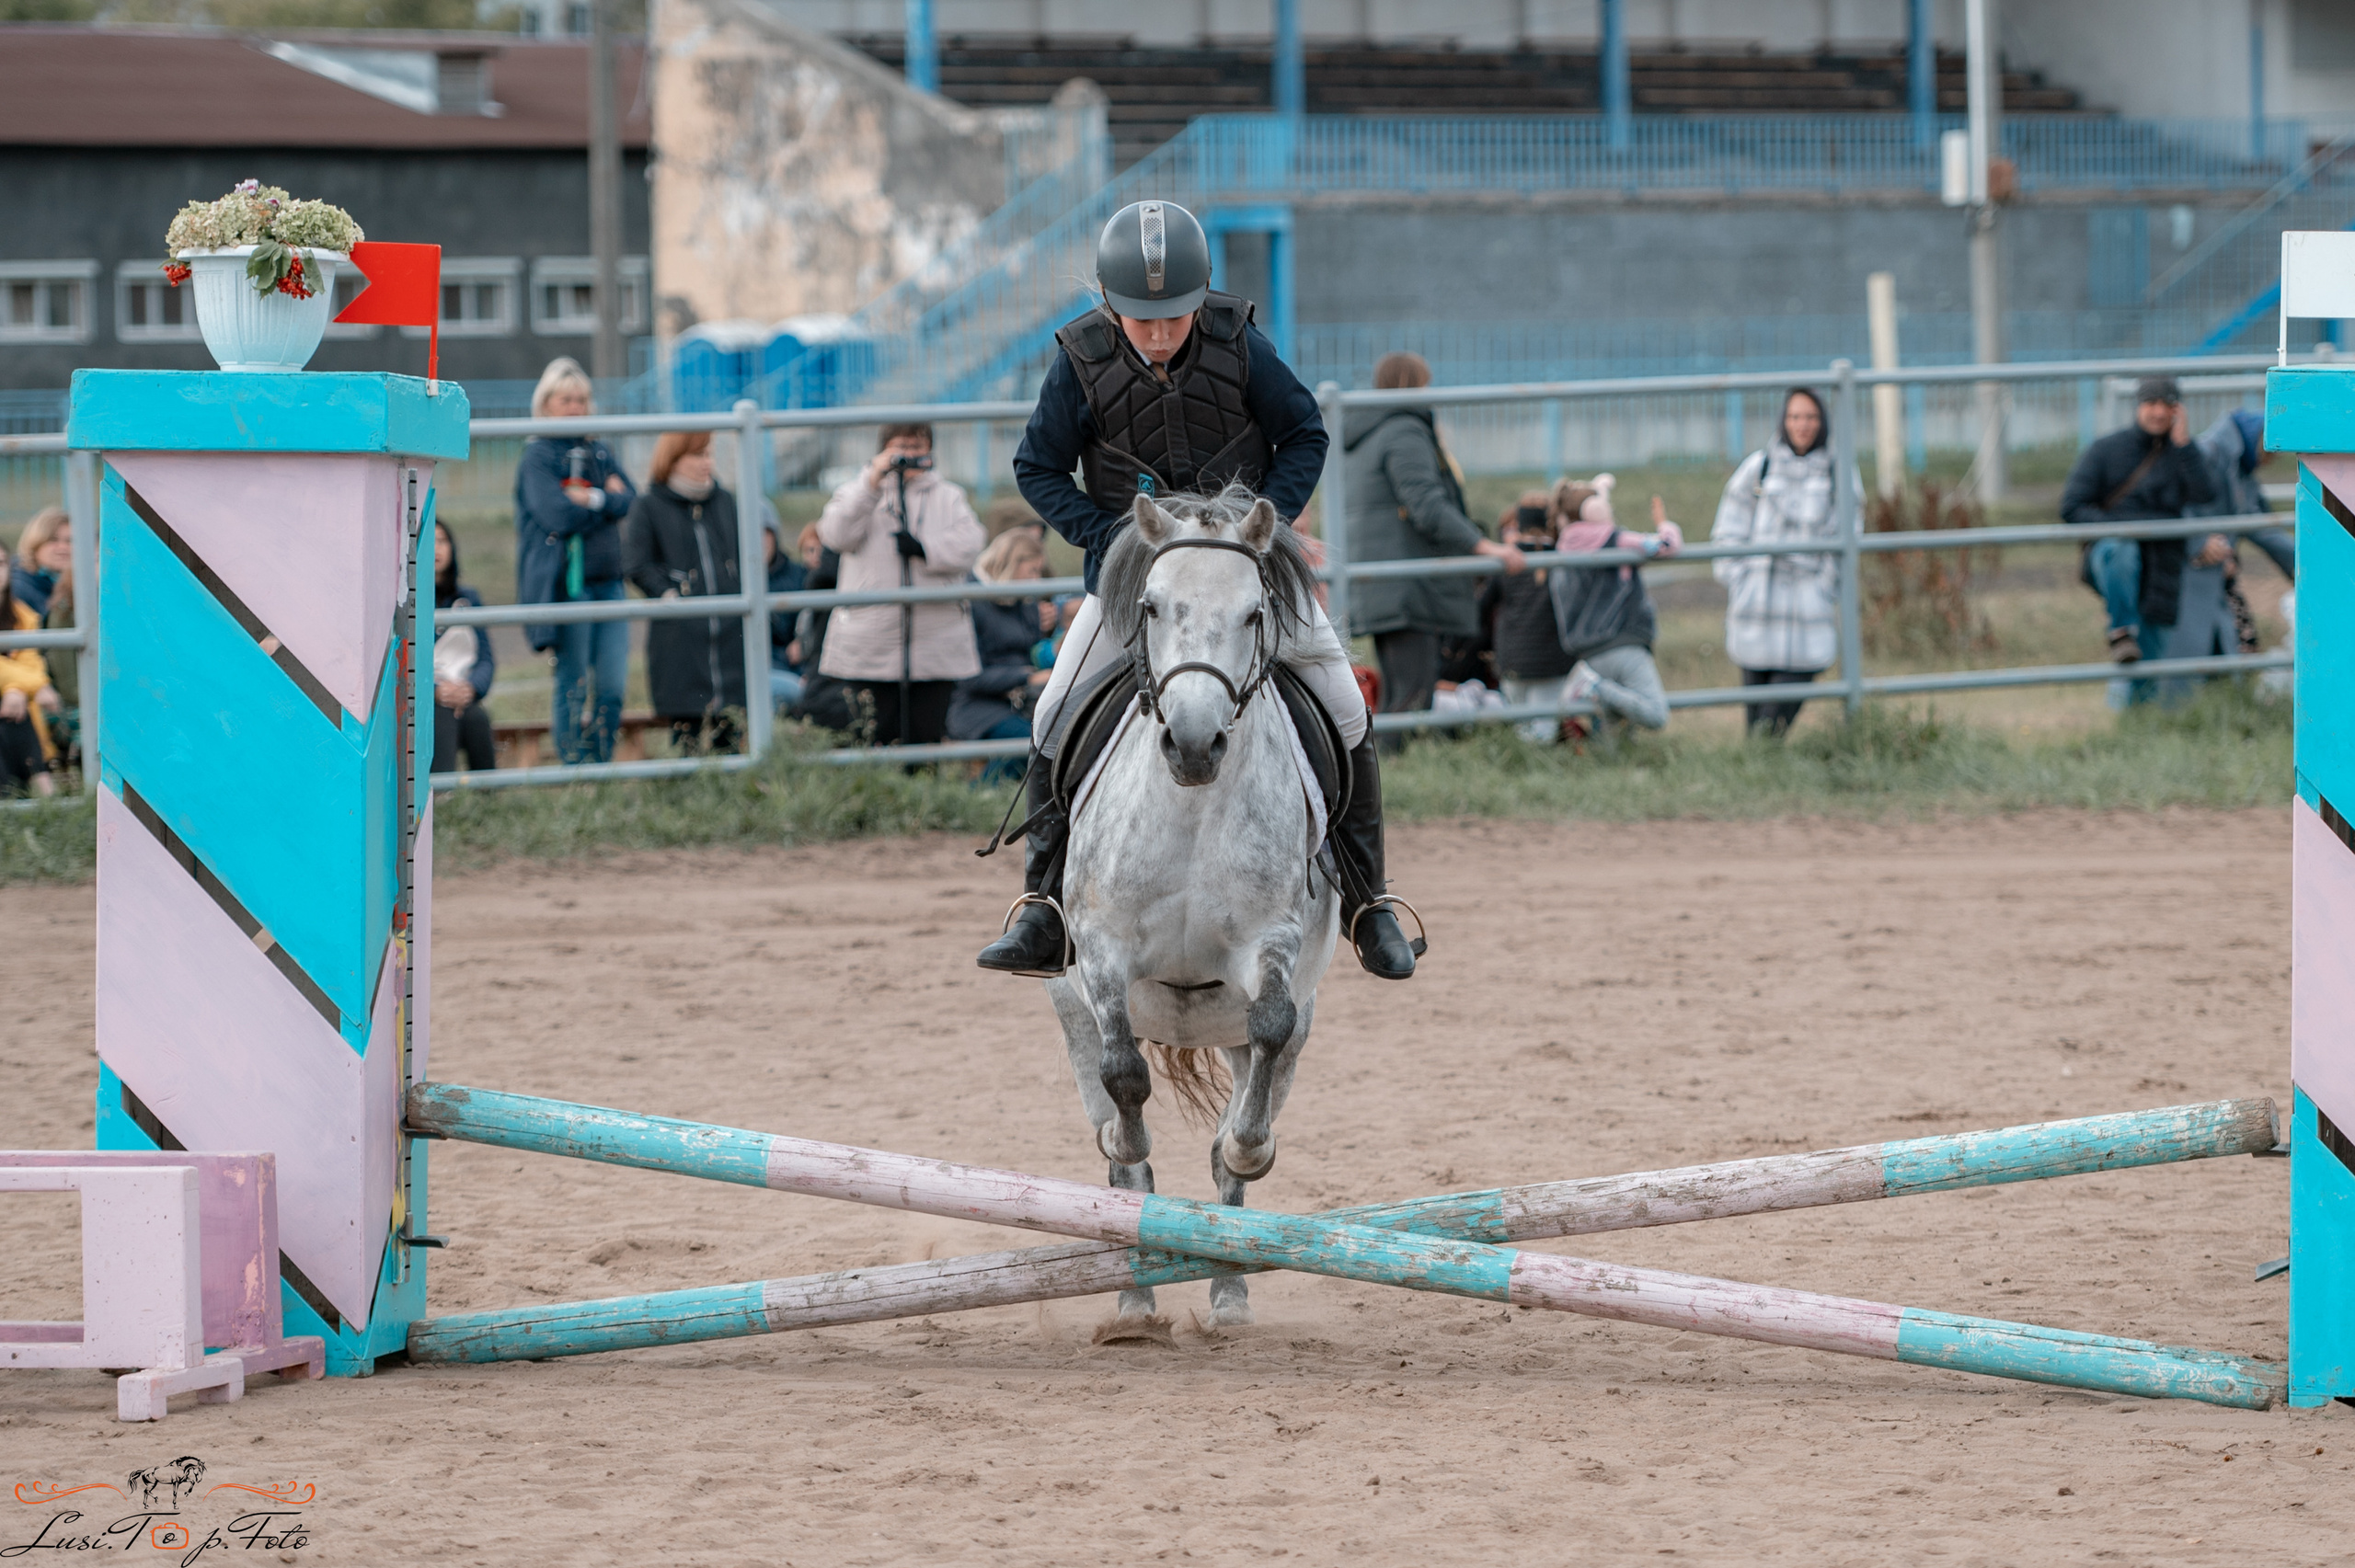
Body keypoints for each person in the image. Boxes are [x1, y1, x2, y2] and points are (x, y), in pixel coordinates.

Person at [989, 199, 1419, 981]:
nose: (1158, 333)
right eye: (1141, 318)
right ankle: (1044, 909)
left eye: (1174, 317)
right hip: (1136, 584)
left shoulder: (1240, 344)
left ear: (1202, 298)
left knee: (1347, 706)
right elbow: (1037, 468)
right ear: (1110, 304)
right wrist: (1104, 537)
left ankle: (1369, 903)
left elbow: (1305, 435)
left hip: (1241, 577)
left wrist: (1264, 532)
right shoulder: (1079, 359)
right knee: (1053, 711)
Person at [1342, 350, 1525, 737]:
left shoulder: (1371, 433)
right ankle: (1383, 781)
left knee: (1400, 693)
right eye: (1426, 384)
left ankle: (1384, 776)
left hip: (1388, 580)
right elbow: (1427, 505)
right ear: (1412, 386)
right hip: (1408, 584)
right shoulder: (1404, 432)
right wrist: (1484, 547)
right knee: (1411, 699)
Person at [814, 424, 985, 747]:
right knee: (872, 734)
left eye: (918, 447)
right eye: (901, 447)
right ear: (882, 451)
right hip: (872, 641)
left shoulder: (949, 496)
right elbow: (835, 535)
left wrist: (925, 549)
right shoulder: (857, 490)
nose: (909, 455)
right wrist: (871, 484)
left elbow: (971, 542)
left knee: (926, 737)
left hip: (935, 639)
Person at [1711, 387, 1855, 738]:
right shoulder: (1759, 467)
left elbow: (1848, 533)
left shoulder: (1839, 473)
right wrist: (1738, 577)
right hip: (1757, 601)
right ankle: (1758, 774)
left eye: (1810, 417)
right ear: (1783, 420)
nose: (1802, 425)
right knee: (1756, 718)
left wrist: (1824, 585)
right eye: (1794, 417)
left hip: (1808, 605)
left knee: (1775, 720)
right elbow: (1730, 526)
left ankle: (1761, 763)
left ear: (1822, 422)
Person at [515, 357, 637, 763]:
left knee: (614, 684)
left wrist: (593, 498)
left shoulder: (599, 451)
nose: (575, 408)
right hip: (569, 584)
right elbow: (557, 514)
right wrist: (607, 503)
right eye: (566, 399)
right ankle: (571, 766)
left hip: (609, 582)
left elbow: (629, 499)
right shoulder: (537, 457)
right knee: (573, 680)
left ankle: (600, 764)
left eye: (582, 400)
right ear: (546, 403)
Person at [2059, 374, 2218, 664]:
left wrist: (2184, 445)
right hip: (2114, 557)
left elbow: (2205, 495)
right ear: (2138, 405)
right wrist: (2125, 528)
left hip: (2163, 565)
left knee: (2150, 664)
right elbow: (2071, 507)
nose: (2158, 412)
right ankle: (2121, 631)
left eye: (2166, 404)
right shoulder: (2105, 450)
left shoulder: (2183, 454)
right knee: (2121, 548)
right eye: (2151, 403)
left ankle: (2140, 708)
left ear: (2177, 410)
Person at [624, 430, 747, 755]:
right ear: (673, 459)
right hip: (680, 638)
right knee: (686, 736)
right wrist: (668, 595)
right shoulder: (649, 505)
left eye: (709, 455)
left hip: (730, 634)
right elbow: (637, 564)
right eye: (698, 455)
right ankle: (683, 796)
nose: (707, 463)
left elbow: (743, 555)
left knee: (730, 730)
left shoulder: (724, 502)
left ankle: (733, 797)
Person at [1552, 475, 1681, 737]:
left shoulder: (1565, 544)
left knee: (1613, 723)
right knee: (1655, 714)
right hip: (1623, 640)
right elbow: (1665, 546)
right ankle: (1591, 688)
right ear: (1595, 509)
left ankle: (1617, 764)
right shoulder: (1614, 539)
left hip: (1588, 650)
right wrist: (1665, 525)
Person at [950, 529, 1056, 785]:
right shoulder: (971, 601)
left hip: (1020, 702)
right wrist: (1027, 677)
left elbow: (1030, 649)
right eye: (1032, 570)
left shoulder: (1025, 600)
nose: (1037, 579)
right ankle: (978, 795)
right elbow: (967, 677)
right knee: (1033, 744)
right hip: (978, 706)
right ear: (1011, 564)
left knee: (1053, 737)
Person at [1478, 494, 1577, 742]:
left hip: (1512, 657)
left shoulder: (1506, 562)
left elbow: (1481, 606)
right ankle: (1537, 770)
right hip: (1551, 660)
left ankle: (1525, 767)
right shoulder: (1563, 558)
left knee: (1523, 726)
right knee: (1543, 729)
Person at [2195, 408, 2293, 581]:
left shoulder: (2240, 469)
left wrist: (2302, 564)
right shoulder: (2208, 454)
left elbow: (2261, 526)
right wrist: (2198, 543)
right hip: (2194, 562)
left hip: (2215, 560)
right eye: (2271, 453)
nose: (2270, 462)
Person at [430, 521, 497, 775]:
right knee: (442, 716)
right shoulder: (405, 602)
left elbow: (486, 659)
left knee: (476, 719)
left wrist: (470, 689)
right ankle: (440, 801)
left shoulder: (469, 599)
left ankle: (488, 800)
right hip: (428, 698)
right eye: (430, 541)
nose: (437, 549)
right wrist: (436, 691)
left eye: (443, 541)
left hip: (463, 692)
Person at [0, 538, 60, 797]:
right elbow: (34, 674)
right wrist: (36, 685)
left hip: (20, 717)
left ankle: (32, 796)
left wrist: (15, 689)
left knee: (14, 703)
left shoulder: (23, 615)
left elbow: (32, 662)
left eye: (1, 563)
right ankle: (43, 792)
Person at [764, 524, 807, 715]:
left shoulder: (798, 575)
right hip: (761, 669)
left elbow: (812, 621)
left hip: (795, 667)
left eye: (765, 534)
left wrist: (802, 641)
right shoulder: (732, 578)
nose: (759, 542)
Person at [11, 509, 69, 620]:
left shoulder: (81, 583)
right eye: (53, 540)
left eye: (70, 541)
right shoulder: (18, 587)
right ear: (35, 543)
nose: (63, 547)